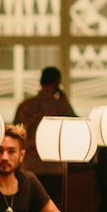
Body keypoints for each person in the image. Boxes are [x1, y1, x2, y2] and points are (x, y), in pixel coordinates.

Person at [13, 66, 76, 204]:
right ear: (58, 83)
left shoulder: (26, 105)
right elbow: (76, 125)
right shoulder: (61, 106)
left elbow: (15, 133)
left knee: (29, 204)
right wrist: (63, 98)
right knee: (53, 206)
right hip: (55, 164)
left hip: (30, 164)